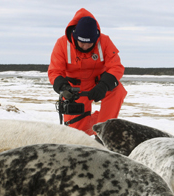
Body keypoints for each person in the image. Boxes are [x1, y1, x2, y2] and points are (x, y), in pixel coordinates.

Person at [48, 8, 127, 137]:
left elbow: (116, 67)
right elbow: (54, 71)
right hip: (73, 89)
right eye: (81, 43)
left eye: (89, 43)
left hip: (98, 84)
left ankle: (104, 131)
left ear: (96, 38)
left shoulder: (105, 41)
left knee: (117, 90)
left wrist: (104, 86)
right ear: (74, 36)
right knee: (76, 134)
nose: (85, 47)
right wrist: (63, 87)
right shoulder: (62, 44)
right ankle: (93, 120)